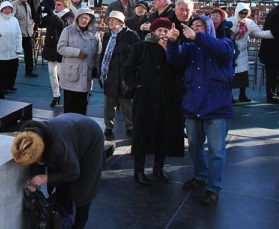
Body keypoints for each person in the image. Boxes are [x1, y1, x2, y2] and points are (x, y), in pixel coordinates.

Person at [166, 15, 236, 205]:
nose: (195, 28)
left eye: (200, 26)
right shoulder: (190, 48)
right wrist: (172, 43)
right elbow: (175, 60)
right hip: (193, 105)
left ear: (210, 29)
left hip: (217, 107)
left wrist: (197, 37)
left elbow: (221, 52)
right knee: (195, 146)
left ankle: (213, 187)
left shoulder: (225, 43)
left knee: (216, 151)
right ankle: (201, 175)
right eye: (193, 25)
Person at [12, 114, 105, 229]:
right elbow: (36, 160)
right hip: (71, 134)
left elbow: (73, 172)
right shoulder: (31, 139)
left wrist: (47, 178)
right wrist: (33, 180)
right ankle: (62, 217)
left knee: (84, 187)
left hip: (90, 139)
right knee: (62, 180)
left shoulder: (57, 146)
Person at [122, 17, 185, 185]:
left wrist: (170, 50)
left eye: (166, 31)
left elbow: (181, 69)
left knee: (164, 133)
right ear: (153, 32)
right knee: (142, 133)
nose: (162, 34)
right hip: (146, 97)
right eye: (159, 31)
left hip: (167, 98)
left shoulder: (175, 48)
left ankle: (158, 168)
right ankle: (139, 170)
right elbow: (127, 69)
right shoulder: (141, 47)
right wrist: (137, 85)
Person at [99, 11, 140, 137]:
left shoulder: (131, 35)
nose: (111, 22)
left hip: (124, 74)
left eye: (114, 20)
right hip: (110, 73)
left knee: (126, 102)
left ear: (121, 22)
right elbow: (103, 55)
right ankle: (108, 126)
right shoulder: (107, 36)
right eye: (109, 20)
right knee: (109, 103)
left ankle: (130, 125)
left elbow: (137, 53)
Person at [57, 8, 101, 115]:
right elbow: (61, 48)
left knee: (82, 109)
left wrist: (97, 69)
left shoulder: (95, 34)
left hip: (86, 75)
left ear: (90, 20)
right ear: (77, 18)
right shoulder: (68, 31)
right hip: (71, 75)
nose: (84, 20)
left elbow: (98, 53)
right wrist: (77, 52)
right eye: (81, 17)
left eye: (87, 18)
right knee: (69, 108)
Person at [230, 3, 274, 103]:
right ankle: (230, 96)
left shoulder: (249, 23)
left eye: (246, 13)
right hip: (231, 51)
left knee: (243, 74)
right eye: (241, 12)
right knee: (231, 75)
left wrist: (276, 33)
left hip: (242, 51)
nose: (243, 14)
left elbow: (260, 33)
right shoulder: (230, 21)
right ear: (237, 12)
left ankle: (242, 95)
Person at [42, 0, 74, 108]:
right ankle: (56, 94)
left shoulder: (69, 15)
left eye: (59, 5)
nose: (56, 7)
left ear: (65, 5)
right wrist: (38, 13)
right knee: (52, 73)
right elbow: (41, 23)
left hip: (61, 47)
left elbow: (64, 25)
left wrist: (52, 15)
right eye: (55, 4)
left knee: (61, 73)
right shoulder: (53, 15)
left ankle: (65, 94)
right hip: (50, 47)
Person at [258, 0, 279, 103]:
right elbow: (277, 33)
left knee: (277, 74)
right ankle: (271, 95)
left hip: (275, 51)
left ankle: (275, 92)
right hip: (271, 51)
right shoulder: (276, 14)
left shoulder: (278, 12)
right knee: (272, 75)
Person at [0, 1, 22, 93]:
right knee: (2, 70)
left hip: (12, 50)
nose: (7, 10)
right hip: (1, 49)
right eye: (5, 8)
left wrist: (19, 48)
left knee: (13, 69)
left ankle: (11, 85)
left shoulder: (14, 20)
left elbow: (18, 35)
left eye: (9, 8)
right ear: (1, 9)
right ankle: (2, 86)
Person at [13, 0, 37, 77]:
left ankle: (29, 70)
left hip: (27, 32)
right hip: (18, 33)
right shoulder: (14, 5)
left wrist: (31, 26)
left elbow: (29, 17)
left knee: (28, 52)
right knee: (15, 52)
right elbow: (12, 18)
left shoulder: (27, 5)